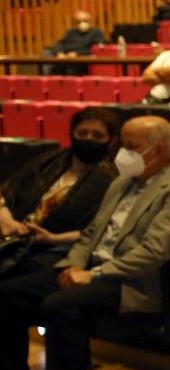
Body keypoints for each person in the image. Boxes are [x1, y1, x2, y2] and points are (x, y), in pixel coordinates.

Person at [0, 117, 170, 370]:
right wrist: (72, 265)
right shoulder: (122, 182)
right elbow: (92, 234)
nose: (123, 153)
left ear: (160, 150)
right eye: (121, 145)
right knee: (7, 294)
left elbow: (153, 251)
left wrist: (91, 274)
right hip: (89, 269)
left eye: (132, 147)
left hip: (128, 282)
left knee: (60, 306)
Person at [0, 108, 119, 288]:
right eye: (82, 133)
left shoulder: (114, 178)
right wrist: (6, 219)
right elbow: (6, 191)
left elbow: (102, 229)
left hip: (60, 247)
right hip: (14, 236)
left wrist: (54, 238)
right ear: (71, 134)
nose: (88, 139)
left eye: (97, 136)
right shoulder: (47, 162)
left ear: (111, 141)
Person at [43, 10, 106, 75]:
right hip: (66, 57)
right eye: (79, 22)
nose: (82, 23)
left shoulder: (96, 32)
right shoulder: (71, 32)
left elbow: (96, 49)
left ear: (90, 22)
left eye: (85, 21)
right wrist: (59, 53)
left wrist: (77, 54)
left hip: (82, 59)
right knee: (47, 53)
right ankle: (49, 79)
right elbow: (60, 43)